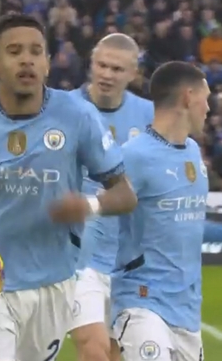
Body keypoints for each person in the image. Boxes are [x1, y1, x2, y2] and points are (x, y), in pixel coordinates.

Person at [0, 14, 137, 360]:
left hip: (55, 282)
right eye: (14, 51)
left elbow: (125, 194)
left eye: (36, 51)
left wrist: (88, 205)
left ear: (48, 63)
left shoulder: (78, 116)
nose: (26, 59)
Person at [111, 62, 222, 361]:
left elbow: (187, 223)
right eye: (205, 98)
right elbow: (97, 219)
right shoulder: (133, 156)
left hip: (186, 308)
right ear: (187, 97)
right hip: (142, 300)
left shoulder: (194, 153)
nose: (209, 108)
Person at [68, 33, 154, 361]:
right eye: (102, 65)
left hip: (129, 260)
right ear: (91, 65)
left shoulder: (150, 116)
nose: (107, 74)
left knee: (118, 350)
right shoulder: (62, 108)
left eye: (117, 69)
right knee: (94, 348)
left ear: (133, 74)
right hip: (79, 253)